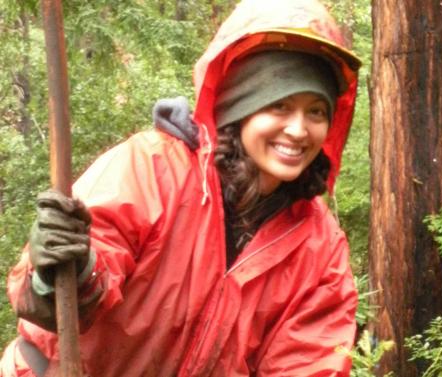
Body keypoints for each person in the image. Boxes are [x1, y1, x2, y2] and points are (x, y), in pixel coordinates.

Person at [0, 0, 361, 375]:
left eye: (316, 111)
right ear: (241, 107)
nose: (299, 130)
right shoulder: (152, 169)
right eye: (279, 106)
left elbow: (309, 362)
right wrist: (70, 268)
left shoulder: (319, 249)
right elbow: (64, 300)